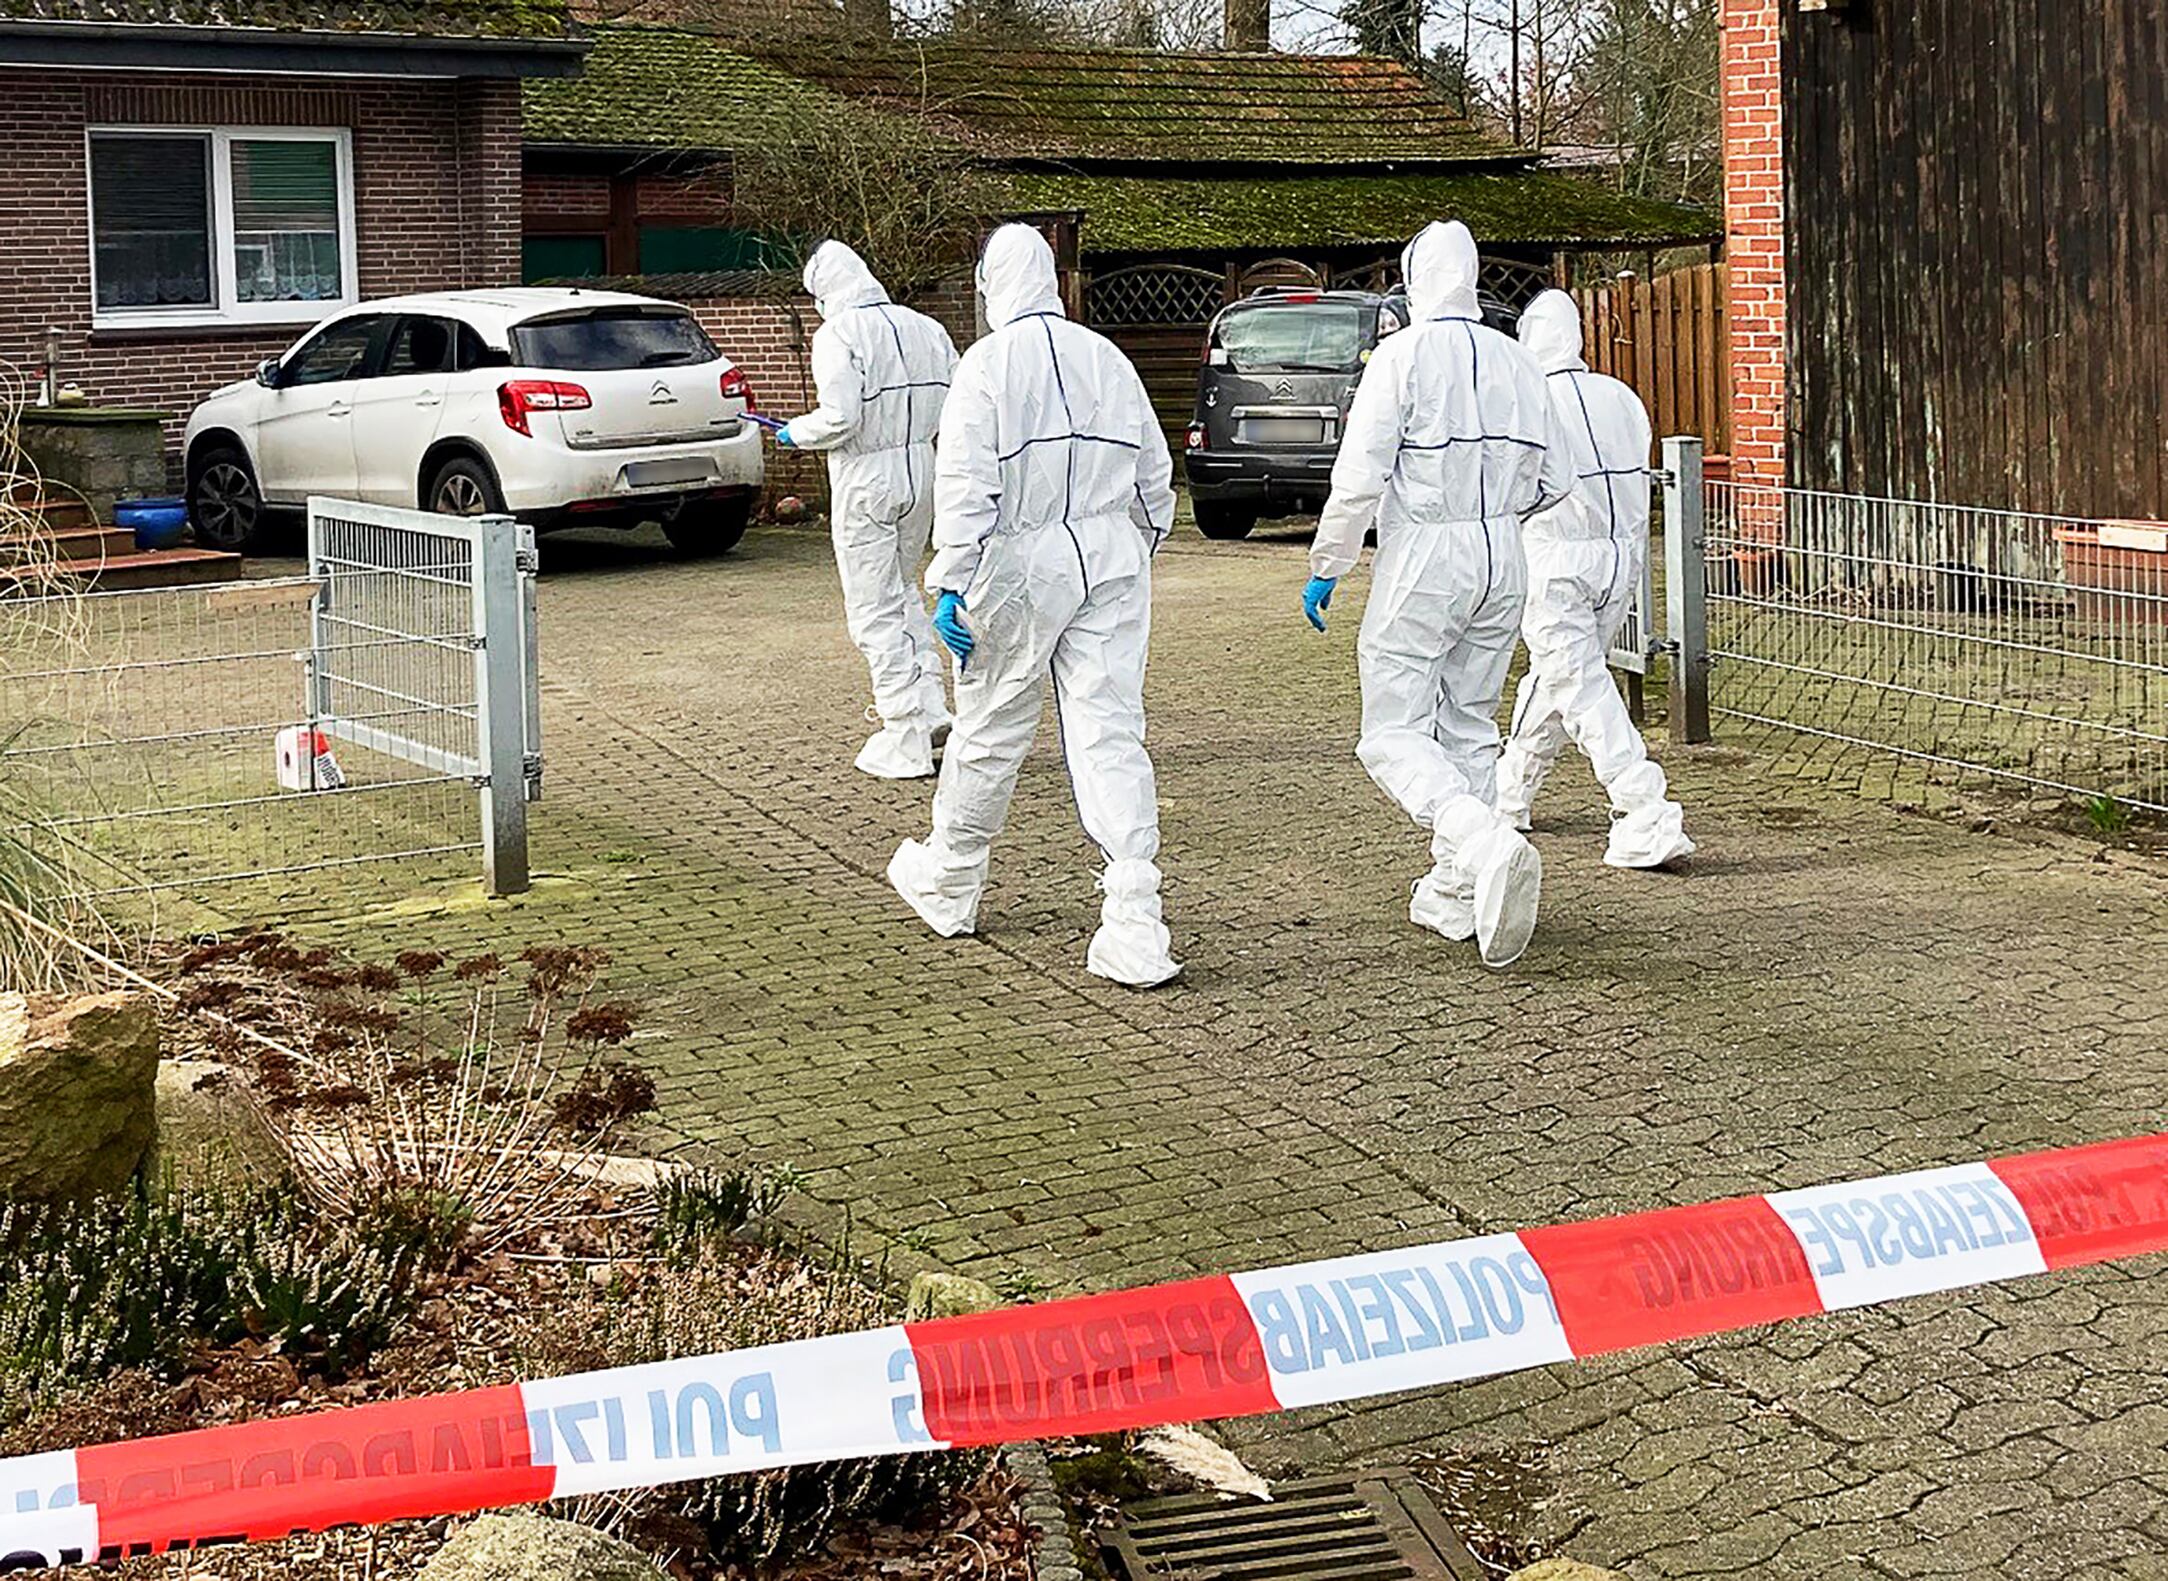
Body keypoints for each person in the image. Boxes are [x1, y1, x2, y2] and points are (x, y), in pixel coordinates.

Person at [887, 224, 1181, 988]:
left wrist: (950, 580)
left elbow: (967, 487)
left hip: (1018, 562)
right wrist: (1132, 547)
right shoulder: (1107, 357)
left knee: (990, 726)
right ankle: (1135, 915)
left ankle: (953, 879)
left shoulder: (985, 366)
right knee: (1111, 728)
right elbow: (1157, 476)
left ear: (991, 284)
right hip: (1110, 557)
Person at [1301, 220, 1576, 969]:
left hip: (1426, 550)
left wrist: (1330, 562)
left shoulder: (1402, 356)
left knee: (1389, 730)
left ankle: (1485, 842)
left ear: (1415, 277)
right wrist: (1496, 512)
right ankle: (1460, 890)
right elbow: (1558, 481)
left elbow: (1358, 476)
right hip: (1502, 555)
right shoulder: (1518, 360)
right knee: (1467, 722)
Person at [1495, 290, 1693, 867]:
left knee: (1580, 685)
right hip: (1621, 558)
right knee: (1562, 678)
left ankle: (1644, 806)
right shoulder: (1621, 396)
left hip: (1554, 557)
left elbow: (1514, 485)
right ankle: (1510, 791)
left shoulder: (1528, 402)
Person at [778, 240, 959, 779]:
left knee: (873, 608)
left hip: (867, 478)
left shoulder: (839, 334)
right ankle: (930, 707)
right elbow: (957, 399)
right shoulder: (926, 327)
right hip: (920, 470)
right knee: (904, 592)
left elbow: (840, 417)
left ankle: (904, 729)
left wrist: (794, 432)